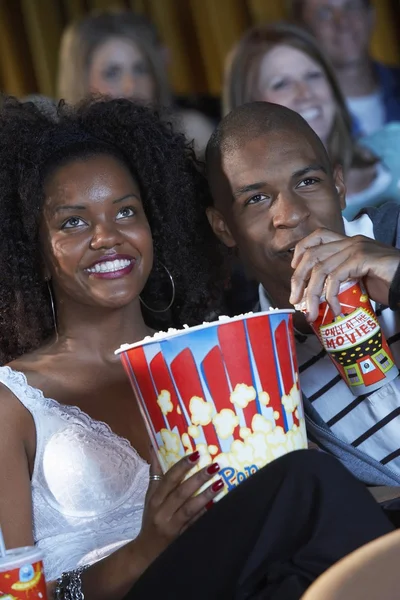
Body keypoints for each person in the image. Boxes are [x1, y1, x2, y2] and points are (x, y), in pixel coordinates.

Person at [0, 96, 394, 600]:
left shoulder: (218, 357)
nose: (107, 236)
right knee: (308, 481)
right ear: (31, 251)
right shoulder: (13, 400)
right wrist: (144, 550)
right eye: (73, 222)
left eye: (126, 211)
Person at [206, 100, 400, 486]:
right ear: (223, 227)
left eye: (307, 182)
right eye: (255, 199)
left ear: (339, 185)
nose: (290, 215)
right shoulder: (253, 369)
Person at [223, 21, 400, 220]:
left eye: (313, 76)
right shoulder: (266, 217)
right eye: (282, 84)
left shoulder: (395, 141)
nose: (305, 93)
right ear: (249, 107)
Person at [57, 9, 214, 158]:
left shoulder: (192, 132)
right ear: (81, 81)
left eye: (140, 69)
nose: (130, 86)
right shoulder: (70, 157)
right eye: (112, 73)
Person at [287, 0, 400, 136]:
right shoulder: (303, 114)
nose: (343, 23)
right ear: (304, 29)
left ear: (371, 16)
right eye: (324, 13)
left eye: (351, 6)